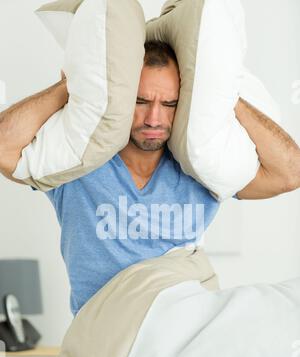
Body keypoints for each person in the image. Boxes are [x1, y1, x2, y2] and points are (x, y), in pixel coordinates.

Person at [0, 40, 299, 317]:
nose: (154, 119)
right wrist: (73, 86)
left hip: (183, 334)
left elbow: (290, 173)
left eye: (169, 104)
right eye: (140, 101)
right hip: (104, 337)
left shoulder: (202, 168)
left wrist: (223, 98)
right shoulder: (78, 163)